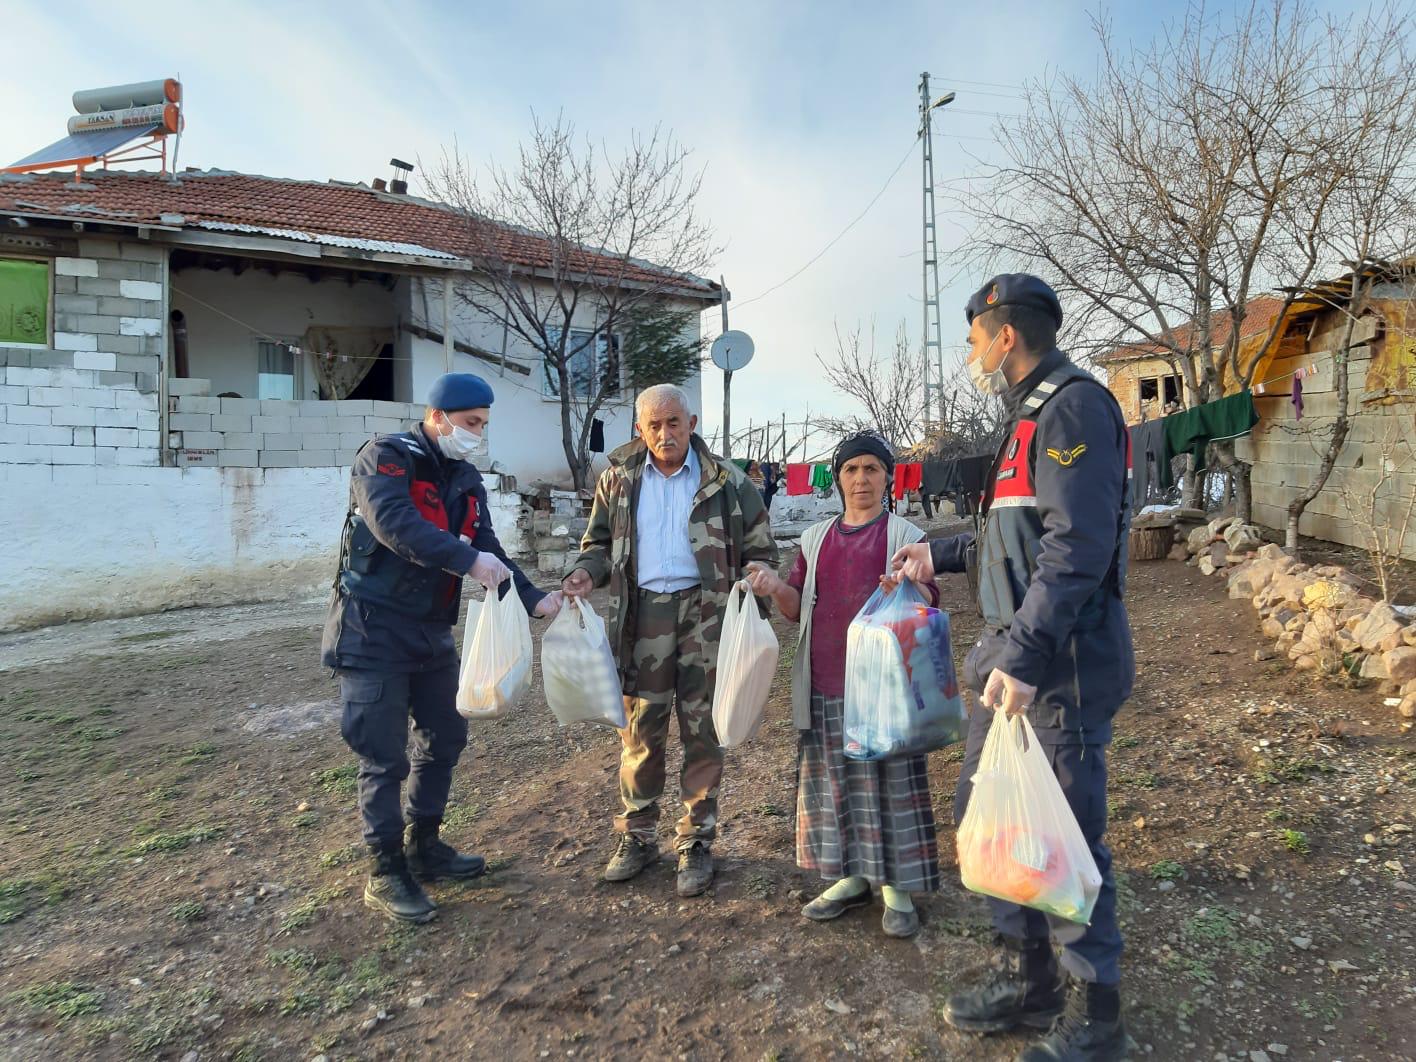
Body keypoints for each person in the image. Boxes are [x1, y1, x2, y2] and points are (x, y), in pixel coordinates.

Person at [893, 274, 1133, 1061]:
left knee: (1061, 838)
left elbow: (1079, 545)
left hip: (1056, 665)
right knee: (995, 822)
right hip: (1013, 659)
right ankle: (1027, 982)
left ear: (1005, 336)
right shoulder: (1025, 419)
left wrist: (1026, 656)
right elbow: (1015, 536)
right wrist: (940, 549)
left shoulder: (1072, 406)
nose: (969, 355)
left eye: (973, 340)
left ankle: (1095, 1018)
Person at [321, 372, 563, 924]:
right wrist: (466, 561)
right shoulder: (385, 457)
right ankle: (385, 869)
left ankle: (423, 846)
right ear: (438, 417)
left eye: (483, 425)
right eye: (470, 423)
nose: (477, 434)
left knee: (445, 735)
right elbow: (394, 524)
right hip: (371, 630)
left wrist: (532, 599)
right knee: (383, 755)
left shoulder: (464, 476)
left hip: (431, 630)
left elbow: (487, 545)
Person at [746, 431, 970, 939]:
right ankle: (849, 878)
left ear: (888, 476)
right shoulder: (815, 538)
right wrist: (774, 584)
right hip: (827, 678)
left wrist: (910, 587)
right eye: (851, 470)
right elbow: (795, 602)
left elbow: (928, 598)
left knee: (892, 785)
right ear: (838, 478)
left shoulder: (904, 534)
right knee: (834, 784)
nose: (862, 479)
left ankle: (897, 887)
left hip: (886, 690)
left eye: (871, 469)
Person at [562, 383, 778, 897]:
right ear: (640, 429)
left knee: (705, 731)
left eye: (673, 423)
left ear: (692, 423)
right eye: (653, 425)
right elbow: (596, 545)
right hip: (641, 616)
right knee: (640, 731)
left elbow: (761, 546)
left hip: (708, 615)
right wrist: (582, 575)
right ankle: (637, 836)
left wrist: (758, 576)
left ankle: (696, 842)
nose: (664, 433)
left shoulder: (727, 481)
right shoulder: (617, 480)